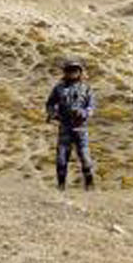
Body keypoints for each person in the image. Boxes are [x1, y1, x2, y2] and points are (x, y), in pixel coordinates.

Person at [45, 57, 97, 190]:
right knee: (62, 158)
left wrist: (83, 113)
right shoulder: (59, 88)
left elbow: (91, 106)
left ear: (80, 72)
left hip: (81, 128)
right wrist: (53, 114)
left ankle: (89, 185)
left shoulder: (86, 89)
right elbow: (50, 103)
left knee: (85, 158)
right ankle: (61, 185)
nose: (72, 73)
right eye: (69, 70)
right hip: (65, 127)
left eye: (75, 70)